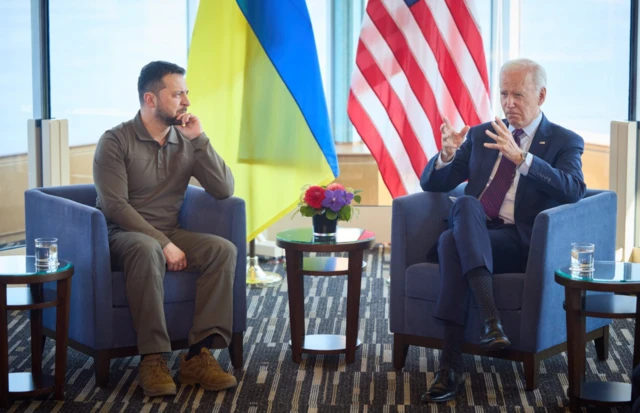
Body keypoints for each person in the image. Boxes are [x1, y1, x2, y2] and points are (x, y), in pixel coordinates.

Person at [419, 58, 586, 403]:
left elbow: (573, 189)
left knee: (452, 241)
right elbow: (434, 184)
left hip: (516, 242)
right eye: (504, 94)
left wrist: (521, 160)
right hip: (475, 228)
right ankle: (490, 322)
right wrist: (447, 156)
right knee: (464, 205)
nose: (509, 103)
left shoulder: (564, 141)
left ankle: (450, 367)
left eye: (518, 95)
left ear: (541, 95)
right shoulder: (482, 135)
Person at [93, 61, 238, 397]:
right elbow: (115, 206)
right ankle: (153, 358)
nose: (186, 100)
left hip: (169, 231)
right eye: (177, 94)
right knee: (146, 249)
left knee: (222, 251)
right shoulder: (115, 141)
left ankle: (197, 356)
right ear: (151, 99)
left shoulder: (186, 139)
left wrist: (200, 140)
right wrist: (162, 243)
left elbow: (223, 189)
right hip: (120, 235)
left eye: (186, 93)